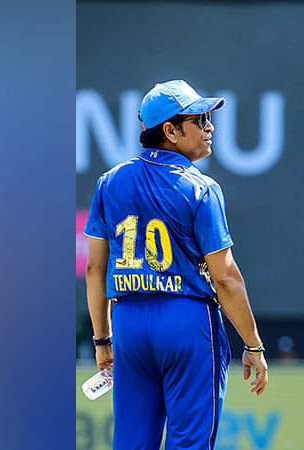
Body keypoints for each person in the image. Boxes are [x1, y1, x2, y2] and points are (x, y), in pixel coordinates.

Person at [84, 80, 268, 450]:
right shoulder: (200, 187)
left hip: (128, 322)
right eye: (200, 119)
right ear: (170, 131)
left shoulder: (109, 182)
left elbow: (94, 269)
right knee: (190, 443)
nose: (210, 127)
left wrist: (103, 339)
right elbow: (226, 277)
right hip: (186, 320)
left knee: (132, 443)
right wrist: (254, 345)